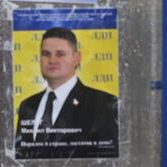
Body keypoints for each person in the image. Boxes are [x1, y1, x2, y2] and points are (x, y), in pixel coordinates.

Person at [15, 27, 118, 159]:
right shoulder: (27, 105)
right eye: (46, 54)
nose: (52, 60)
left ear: (76, 58)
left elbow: (107, 159)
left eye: (60, 54)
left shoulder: (104, 104)